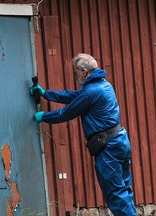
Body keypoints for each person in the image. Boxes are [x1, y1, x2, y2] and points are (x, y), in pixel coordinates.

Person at [30, 53, 137, 216]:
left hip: (108, 148)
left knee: (116, 195)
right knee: (124, 191)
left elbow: (66, 113)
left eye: (76, 73)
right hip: (120, 141)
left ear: (84, 72)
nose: (75, 77)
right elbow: (74, 96)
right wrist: (46, 93)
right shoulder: (104, 85)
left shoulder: (90, 93)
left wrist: (43, 116)